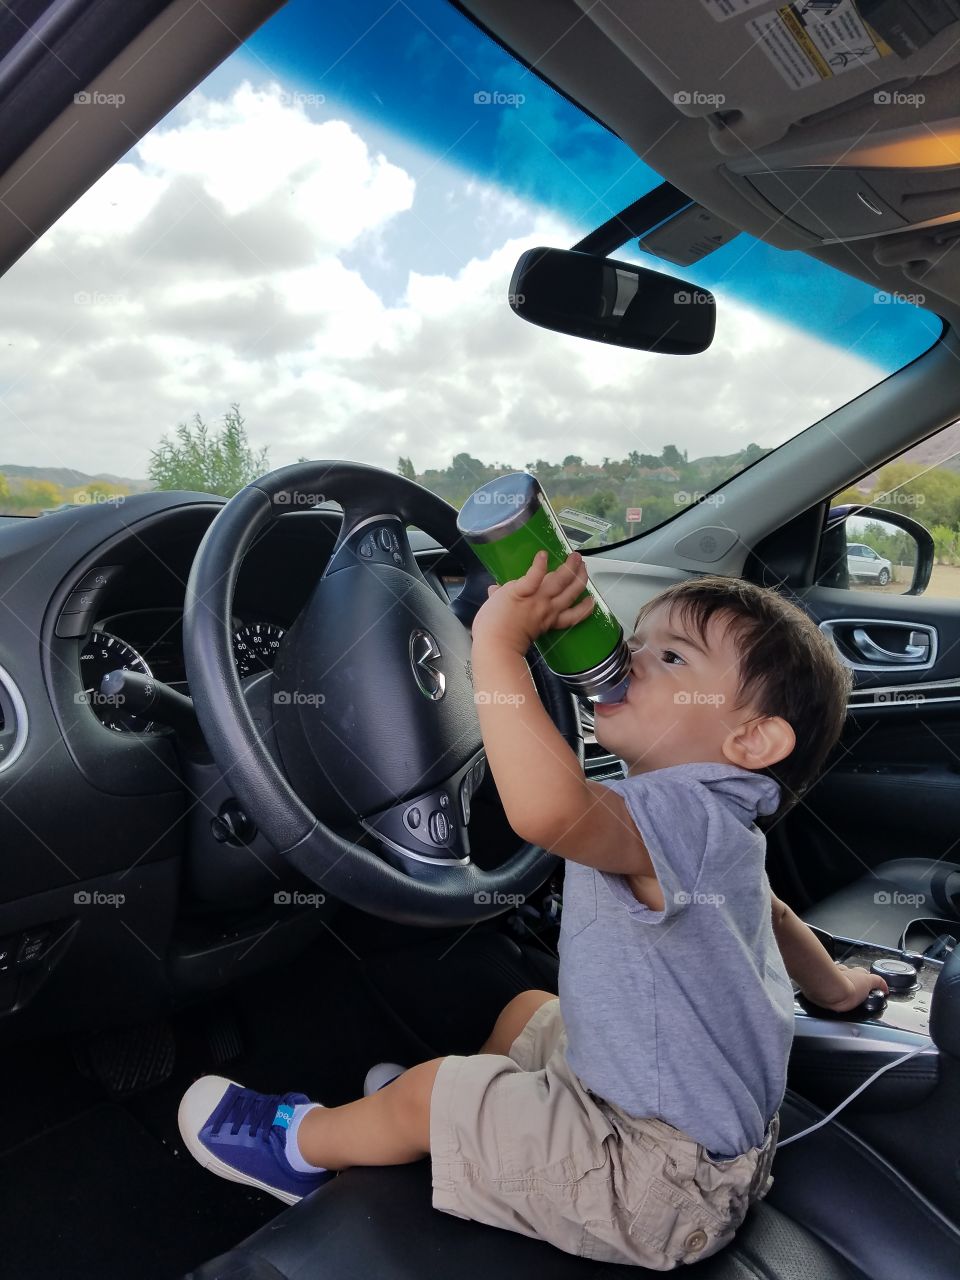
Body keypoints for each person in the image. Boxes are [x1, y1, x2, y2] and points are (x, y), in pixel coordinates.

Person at [178, 550, 886, 1268]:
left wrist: (497, 646)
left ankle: (300, 1151)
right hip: (705, 1142)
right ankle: (464, 1131)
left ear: (751, 739)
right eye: (636, 639)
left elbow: (547, 810)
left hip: (651, 1185)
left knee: (426, 1095)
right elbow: (777, 920)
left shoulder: (673, 812)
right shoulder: (723, 826)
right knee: (528, 1011)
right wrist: (840, 988)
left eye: (672, 657)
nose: (629, 658)